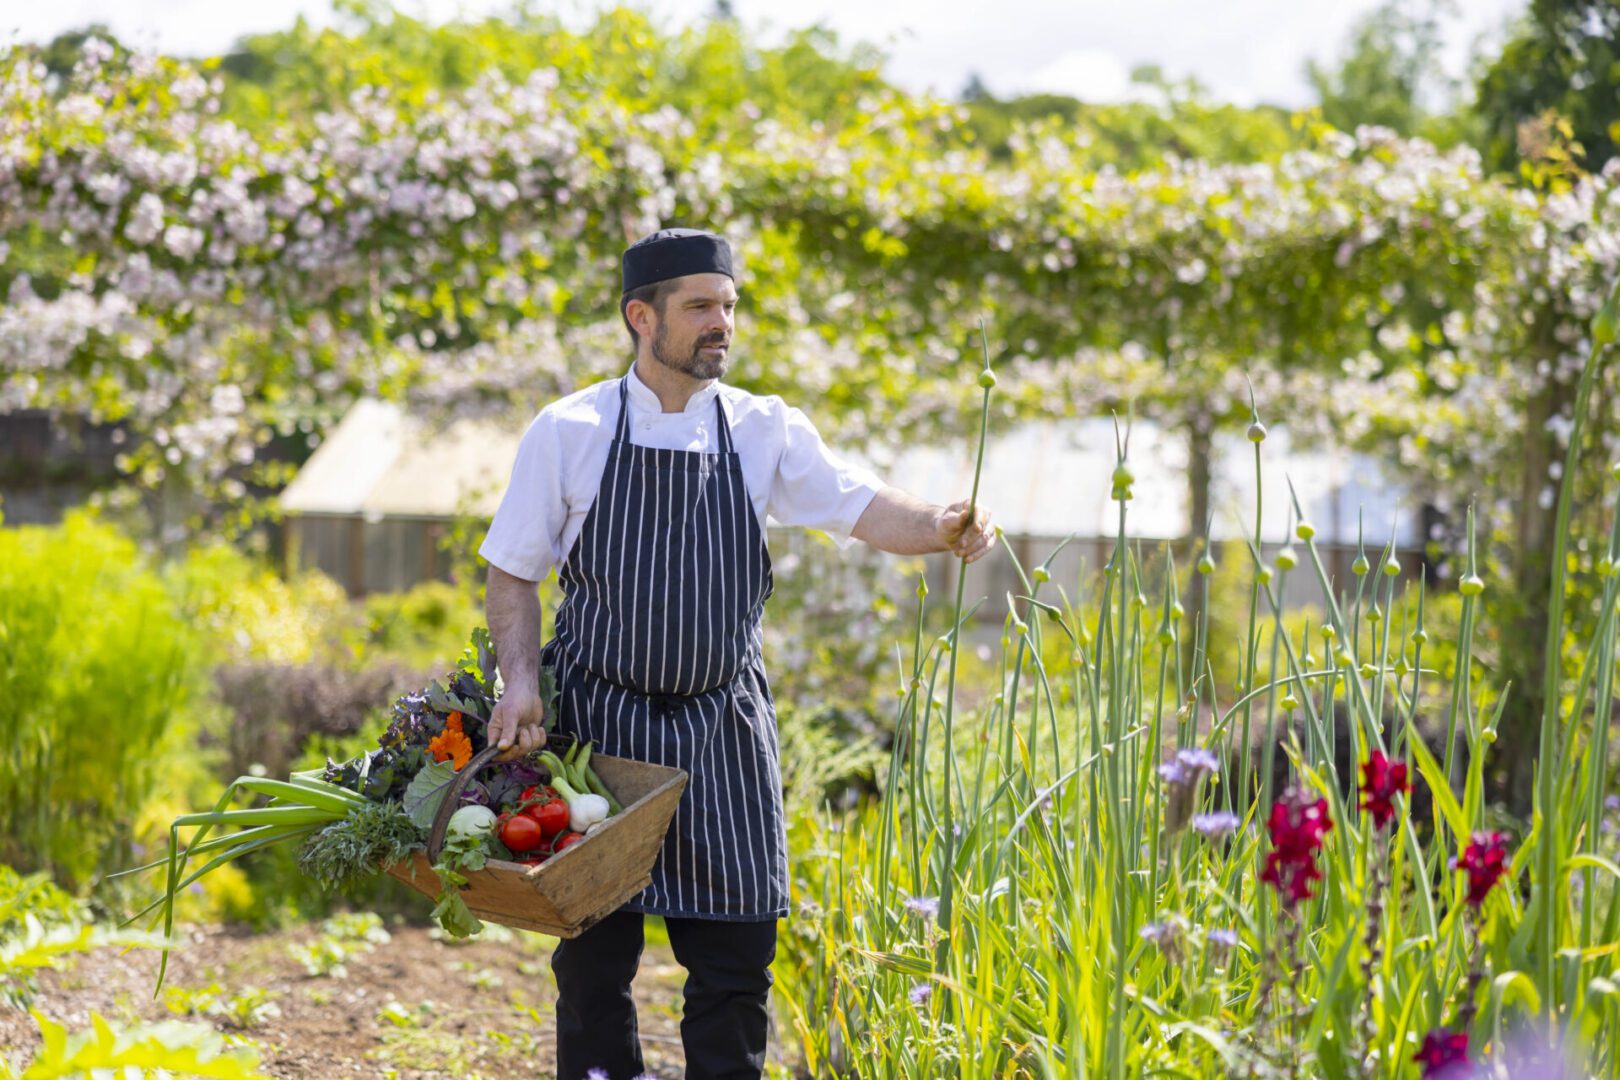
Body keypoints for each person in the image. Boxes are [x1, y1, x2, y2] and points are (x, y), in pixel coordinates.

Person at [478, 227, 994, 1079]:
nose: (722, 322)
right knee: (595, 965)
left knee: (735, 963)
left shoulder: (763, 429)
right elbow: (513, 573)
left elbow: (864, 507)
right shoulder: (568, 430)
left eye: (728, 305)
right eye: (700, 307)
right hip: (599, 730)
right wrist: (521, 683)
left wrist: (939, 526)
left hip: (723, 727)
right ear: (640, 316)